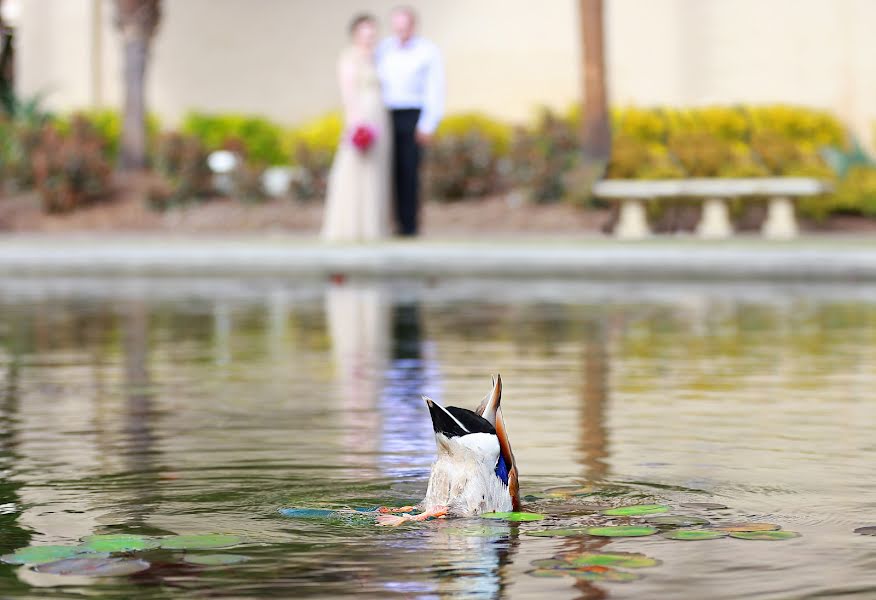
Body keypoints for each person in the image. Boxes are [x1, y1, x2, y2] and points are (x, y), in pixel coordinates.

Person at [321, 14, 391, 242]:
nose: (369, 37)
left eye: (373, 33)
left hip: (380, 119)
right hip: (362, 119)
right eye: (365, 33)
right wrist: (357, 124)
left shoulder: (377, 58)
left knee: (374, 173)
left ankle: (371, 226)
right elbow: (349, 93)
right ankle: (350, 224)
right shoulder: (349, 58)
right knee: (354, 169)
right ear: (355, 34)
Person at [376, 6, 445, 236]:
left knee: (409, 171)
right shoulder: (384, 49)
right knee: (388, 170)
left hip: (412, 114)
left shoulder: (427, 51)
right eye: (397, 28)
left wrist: (428, 124)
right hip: (387, 115)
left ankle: (409, 224)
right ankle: (388, 222)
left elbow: (435, 89)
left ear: (413, 26)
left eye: (404, 27)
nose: (400, 32)